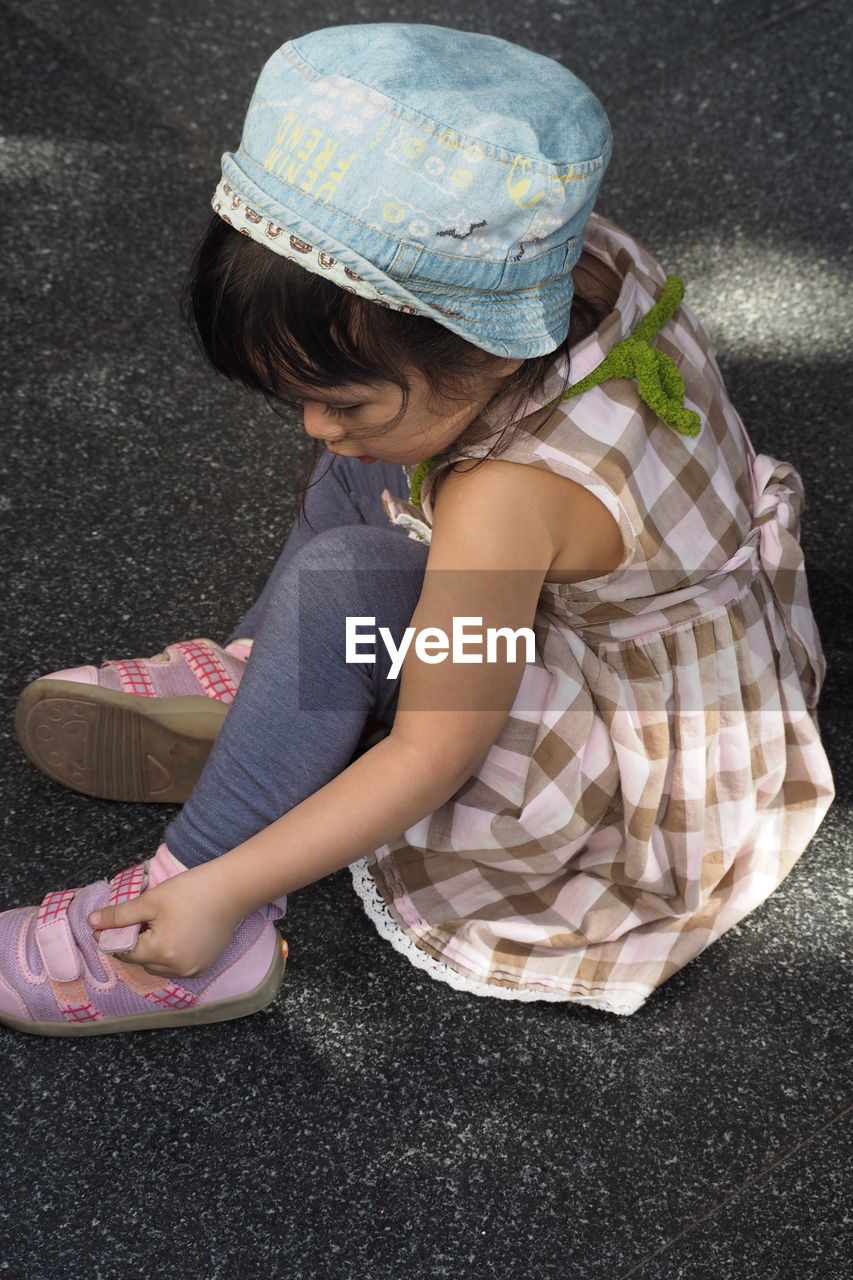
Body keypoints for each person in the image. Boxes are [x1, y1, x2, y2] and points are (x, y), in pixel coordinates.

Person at [1, 23, 834, 1035]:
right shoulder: (570, 260)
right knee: (374, 473)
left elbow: (436, 750)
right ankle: (267, 675)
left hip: (611, 726)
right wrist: (374, 427)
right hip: (631, 589)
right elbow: (405, 430)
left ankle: (199, 906)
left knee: (347, 582)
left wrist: (218, 888)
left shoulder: (503, 500)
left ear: (481, 353)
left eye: (342, 398)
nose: (314, 425)